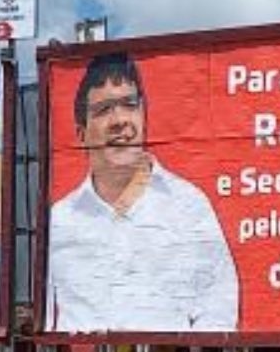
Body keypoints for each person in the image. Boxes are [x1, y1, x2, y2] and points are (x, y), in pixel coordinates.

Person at [46, 52, 239, 332]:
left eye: (129, 104)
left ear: (144, 115)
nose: (120, 121)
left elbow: (218, 304)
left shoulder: (187, 204)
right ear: (81, 134)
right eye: (103, 110)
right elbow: (48, 317)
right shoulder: (61, 219)